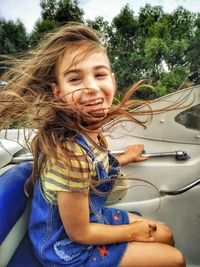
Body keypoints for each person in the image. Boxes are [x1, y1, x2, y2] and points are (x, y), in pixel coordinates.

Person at [0, 23, 185, 267]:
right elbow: (80, 234)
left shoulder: (90, 132)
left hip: (90, 217)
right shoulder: (70, 156)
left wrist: (124, 158)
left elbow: (94, 171)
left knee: (165, 234)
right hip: (68, 249)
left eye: (99, 74)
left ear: (112, 79)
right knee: (175, 259)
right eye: (75, 78)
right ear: (58, 91)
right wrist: (133, 232)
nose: (91, 87)